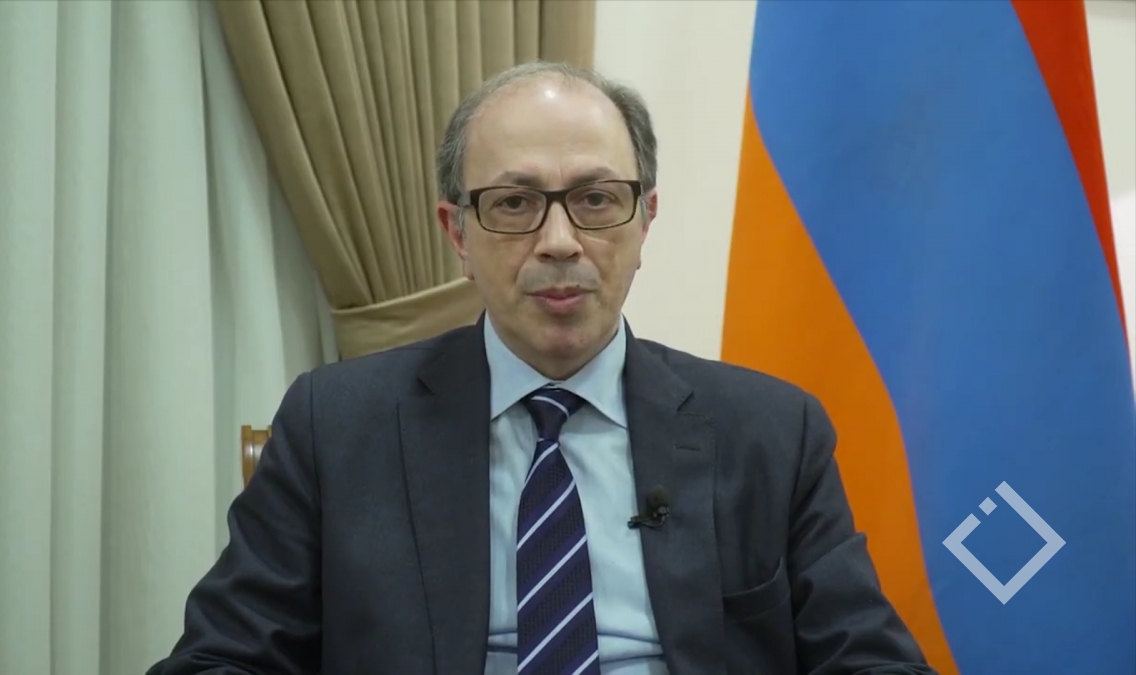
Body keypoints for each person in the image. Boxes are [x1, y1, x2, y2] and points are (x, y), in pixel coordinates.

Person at [148, 61, 936, 675]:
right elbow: (221, 657)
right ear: (457, 233)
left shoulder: (771, 432)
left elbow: (871, 659)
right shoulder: (337, 425)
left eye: (596, 199)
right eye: (515, 204)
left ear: (645, 220)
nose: (560, 241)